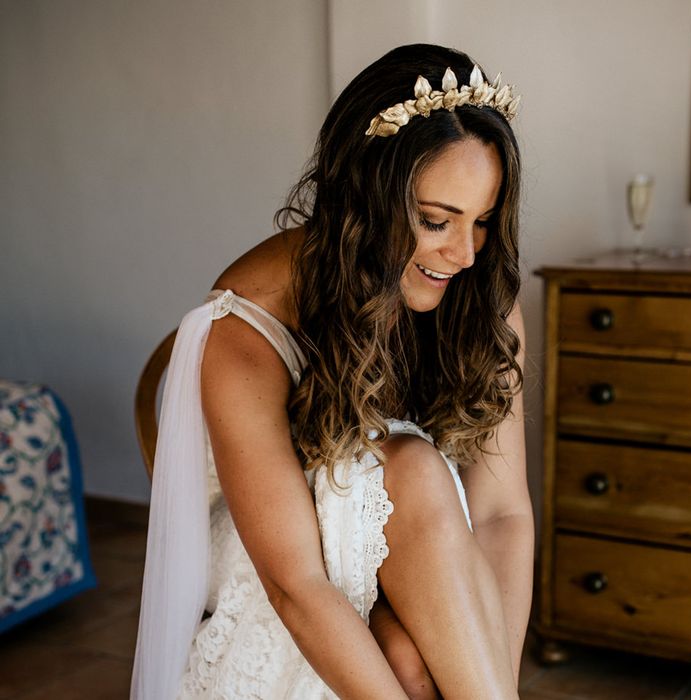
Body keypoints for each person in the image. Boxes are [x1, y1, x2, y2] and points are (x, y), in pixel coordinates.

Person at [131, 43, 533, 700]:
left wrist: (492, 680)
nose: (462, 253)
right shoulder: (244, 328)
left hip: (427, 558)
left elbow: (500, 515)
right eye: (435, 221)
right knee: (414, 468)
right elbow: (296, 583)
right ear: (364, 196)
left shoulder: (480, 291)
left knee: (411, 653)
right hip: (286, 571)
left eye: (482, 222)